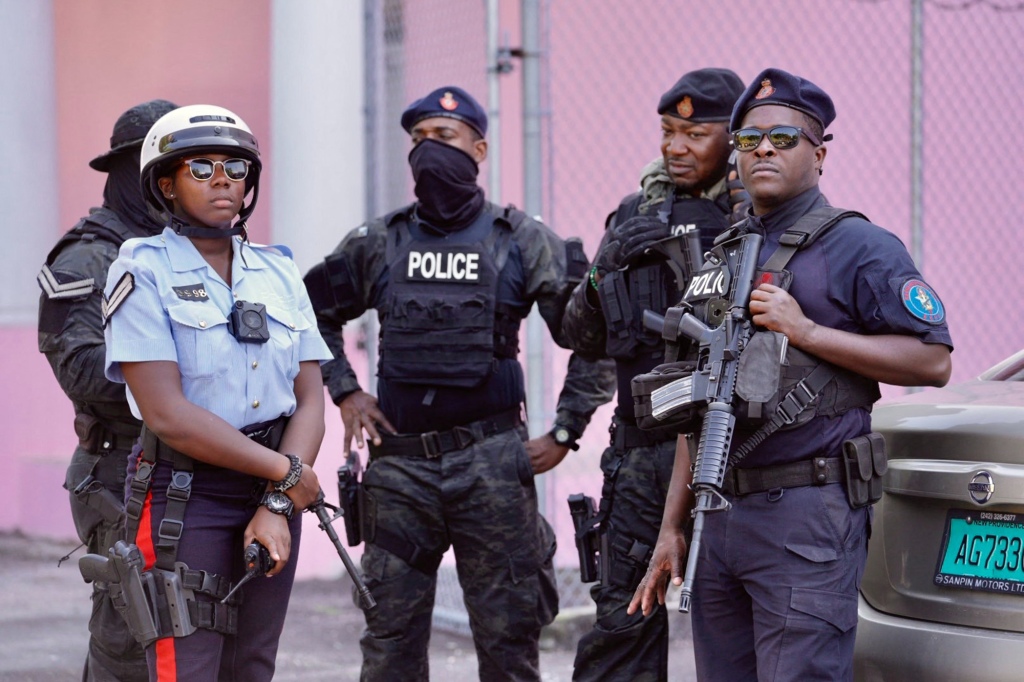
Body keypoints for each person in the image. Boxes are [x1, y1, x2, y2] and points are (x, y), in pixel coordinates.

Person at [628, 68, 953, 681]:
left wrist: (806, 333)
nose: (764, 151)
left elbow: (933, 360)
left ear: (820, 153)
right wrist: (672, 528)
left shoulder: (860, 246)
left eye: (783, 138)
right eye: (749, 141)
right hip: (719, 516)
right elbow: (699, 401)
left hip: (806, 514)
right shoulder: (723, 252)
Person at [303, 85, 615, 681]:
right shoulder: (380, 241)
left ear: (479, 148)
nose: (428, 151)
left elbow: (594, 337)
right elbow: (310, 311)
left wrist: (568, 430)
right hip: (399, 469)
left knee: (508, 642)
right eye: (417, 140)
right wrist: (346, 389)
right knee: (389, 641)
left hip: (492, 465)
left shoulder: (521, 240)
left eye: (443, 138)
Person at [101, 104, 332, 681]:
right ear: (165, 184)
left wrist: (277, 500)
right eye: (200, 168)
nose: (223, 178)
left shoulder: (278, 273)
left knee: (252, 665)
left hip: (272, 488)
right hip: (186, 494)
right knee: (189, 666)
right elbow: (167, 413)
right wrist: (286, 474)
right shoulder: (142, 268)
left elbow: (309, 400)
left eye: (234, 166)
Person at [561, 67, 745, 682]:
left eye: (694, 133)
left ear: (734, 135)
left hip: (739, 454)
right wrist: (603, 269)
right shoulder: (637, 209)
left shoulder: (764, 212)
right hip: (644, 453)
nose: (674, 147)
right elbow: (580, 337)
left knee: (740, 626)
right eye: (668, 131)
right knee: (623, 622)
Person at [37, 99, 178, 682]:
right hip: (123, 468)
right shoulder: (88, 257)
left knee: (195, 641)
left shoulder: (192, 250)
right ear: (129, 170)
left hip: (200, 469)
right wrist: (183, 380)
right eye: (163, 168)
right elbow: (82, 370)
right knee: (131, 643)